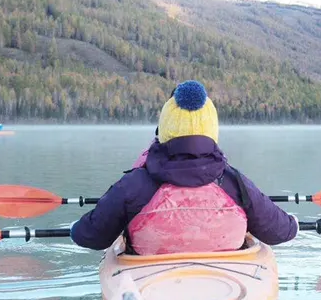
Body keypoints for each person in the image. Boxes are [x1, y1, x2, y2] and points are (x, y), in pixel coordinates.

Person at [70, 80, 298, 255]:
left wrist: (75, 229)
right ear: (211, 127)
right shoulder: (234, 182)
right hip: (225, 279)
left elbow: (91, 237)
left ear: (165, 126)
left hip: (150, 281)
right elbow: (279, 232)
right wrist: (294, 224)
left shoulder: (134, 185)